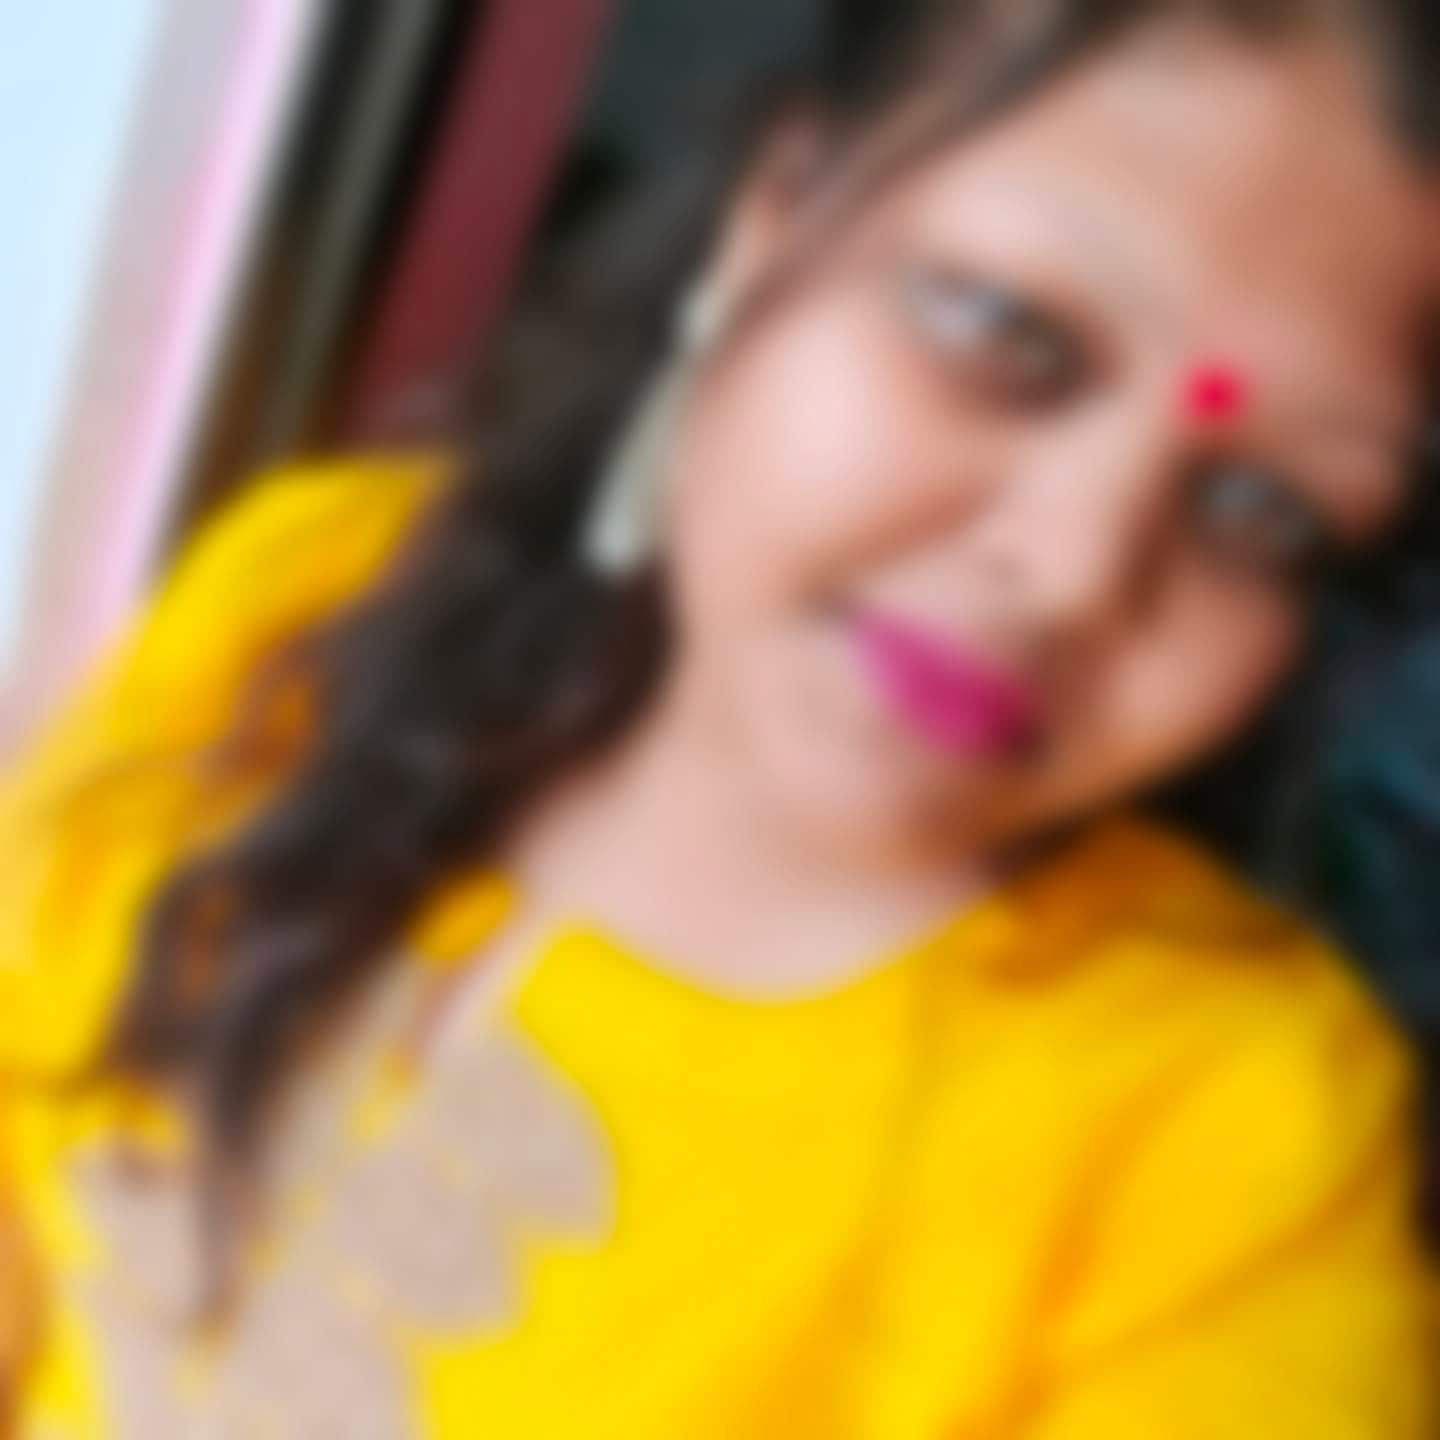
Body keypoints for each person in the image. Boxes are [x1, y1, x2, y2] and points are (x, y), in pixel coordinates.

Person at [2, 1, 1438, 1434]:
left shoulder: (1232, 1159)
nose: (1072, 569)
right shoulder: (313, 601)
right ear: (773, 217)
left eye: (1263, 510)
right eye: (1008, 332)